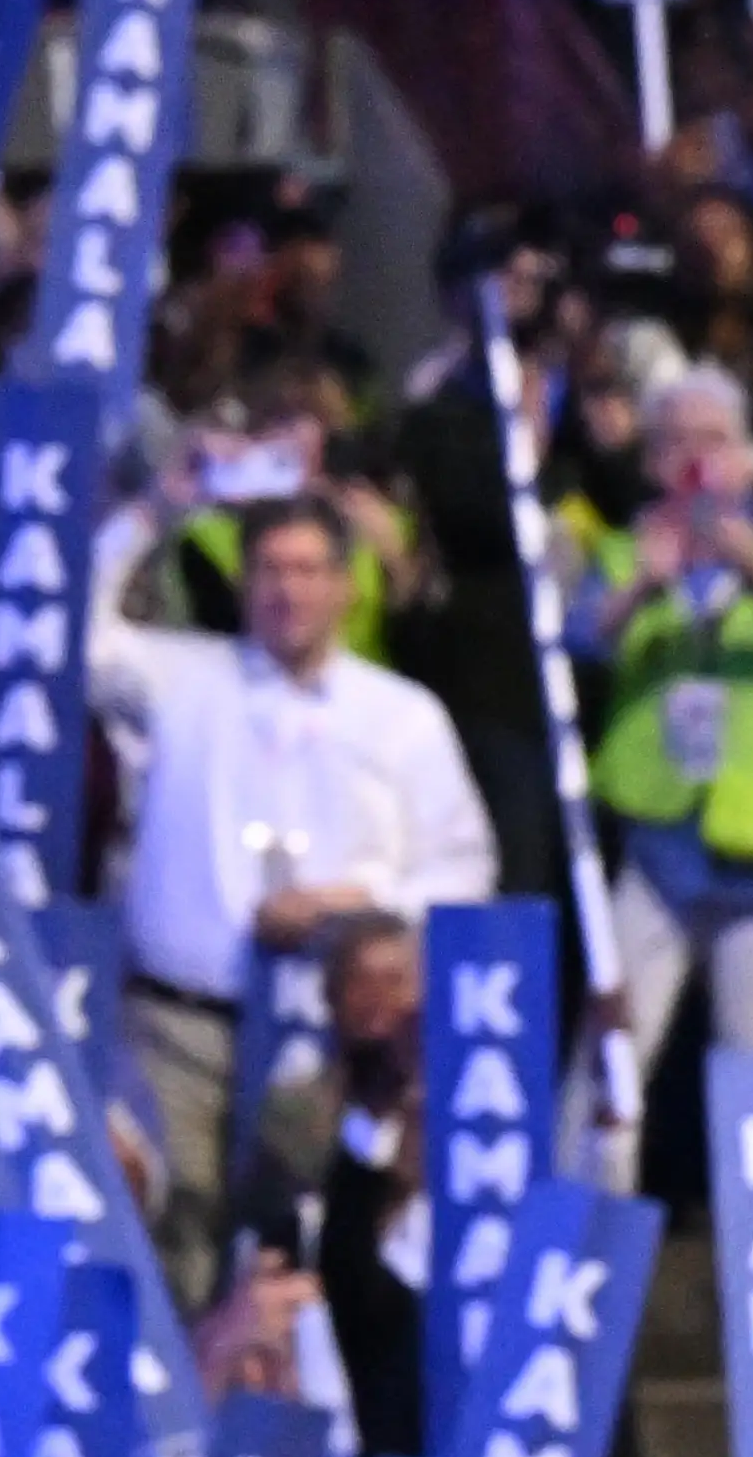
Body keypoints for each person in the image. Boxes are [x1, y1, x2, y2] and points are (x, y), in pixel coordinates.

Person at [93, 494, 497, 1306]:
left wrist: (359, 900)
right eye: (271, 569)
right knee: (171, 1238)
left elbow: (465, 866)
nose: (289, 590)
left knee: (295, 1248)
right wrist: (160, 505)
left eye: (309, 570)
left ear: (347, 586)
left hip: (325, 1039)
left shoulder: (402, 715)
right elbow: (67, 631)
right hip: (179, 1026)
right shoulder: (180, 677)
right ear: (244, 583)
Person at [573, 366, 753, 1185]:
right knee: (610, 1065)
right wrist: (647, 577)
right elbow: (585, 640)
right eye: (677, 440)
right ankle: (579, 1256)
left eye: (715, 439)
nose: (696, 458)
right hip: (659, 850)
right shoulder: (619, 555)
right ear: (652, 461)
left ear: (746, 459)